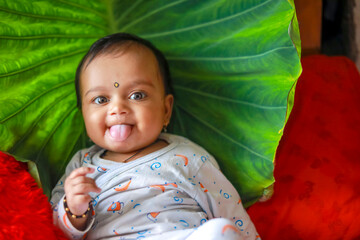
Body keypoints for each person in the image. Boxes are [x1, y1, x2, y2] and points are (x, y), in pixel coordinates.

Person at [51, 33, 260, 240]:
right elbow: (54, 229)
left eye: (137, 95)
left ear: (166, 109)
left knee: (219, 231)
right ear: (84, 116)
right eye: (100, 99)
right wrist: (74, 210)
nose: (117, 108)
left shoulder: (188, 157)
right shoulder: (81, 167)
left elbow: (230, 210)